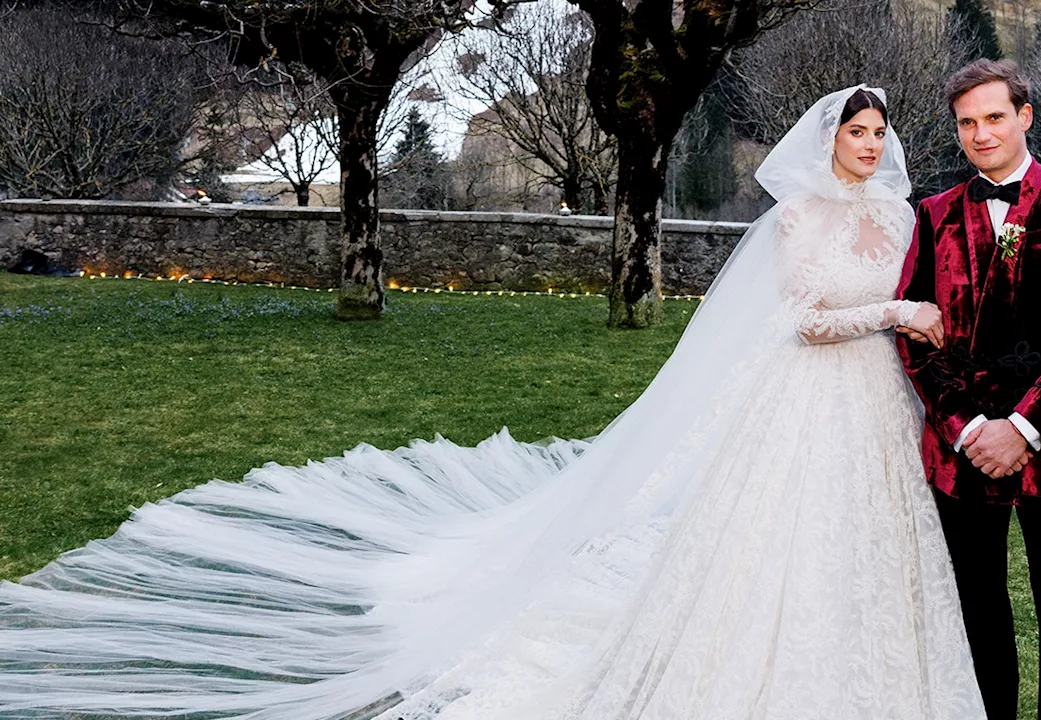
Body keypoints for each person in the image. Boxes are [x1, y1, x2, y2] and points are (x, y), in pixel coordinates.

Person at [0, 87, 986, 719]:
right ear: (826, 142)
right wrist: (900, 309)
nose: (867, 146)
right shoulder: (794, 221)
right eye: (853, 133)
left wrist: (929, 320)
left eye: (876, 132)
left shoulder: (902, 213)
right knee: (775, 544)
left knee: (875, 542)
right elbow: (806, 319)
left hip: (877, 404)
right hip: (807, 398)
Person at [896, 59, 1041, 720]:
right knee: (974, 619)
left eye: (994, 117)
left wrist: (1021, 428)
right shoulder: (935, 214)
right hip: (962, 457)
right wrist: (969, 429)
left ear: (1023, 117)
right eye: (967, 122)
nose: (981, 133)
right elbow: (916, 332)